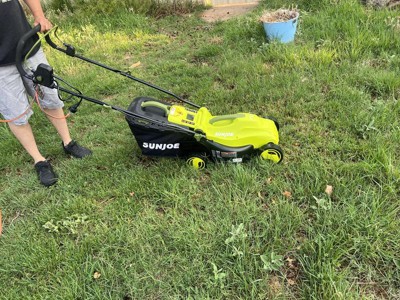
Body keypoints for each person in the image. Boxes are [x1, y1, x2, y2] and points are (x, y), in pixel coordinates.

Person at [0, 0, 92, 187]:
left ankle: (68, 143)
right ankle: (39, 161)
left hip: (27, 46)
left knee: (50, 95)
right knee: (16, 113)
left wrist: (39, 15)